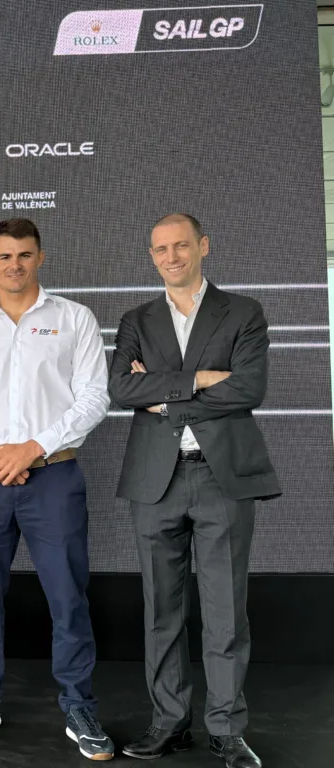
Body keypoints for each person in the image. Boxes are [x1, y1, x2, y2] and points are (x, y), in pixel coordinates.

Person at [109, 214, 279, 768]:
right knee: (162, 609)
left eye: (181, 245)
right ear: (152, 256)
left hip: (220, 476)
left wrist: (162, 397)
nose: (172, 256)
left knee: (226, 610)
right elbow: (122, 388)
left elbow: (248, 388)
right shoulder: (136, 319)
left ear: (203, 246)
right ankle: (169, 723)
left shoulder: (243, 312)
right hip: (154, 480)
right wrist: (201, 378)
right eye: (161, 249)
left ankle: (226, 730)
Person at [0, 218, 114, 761]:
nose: (14, 265)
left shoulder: (74, 319)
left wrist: (32, 448)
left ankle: (79, 705)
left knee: (68, 597)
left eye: (24, 255)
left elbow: (94, 398)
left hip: (53, 476)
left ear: (40, 258)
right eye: (4, 256)